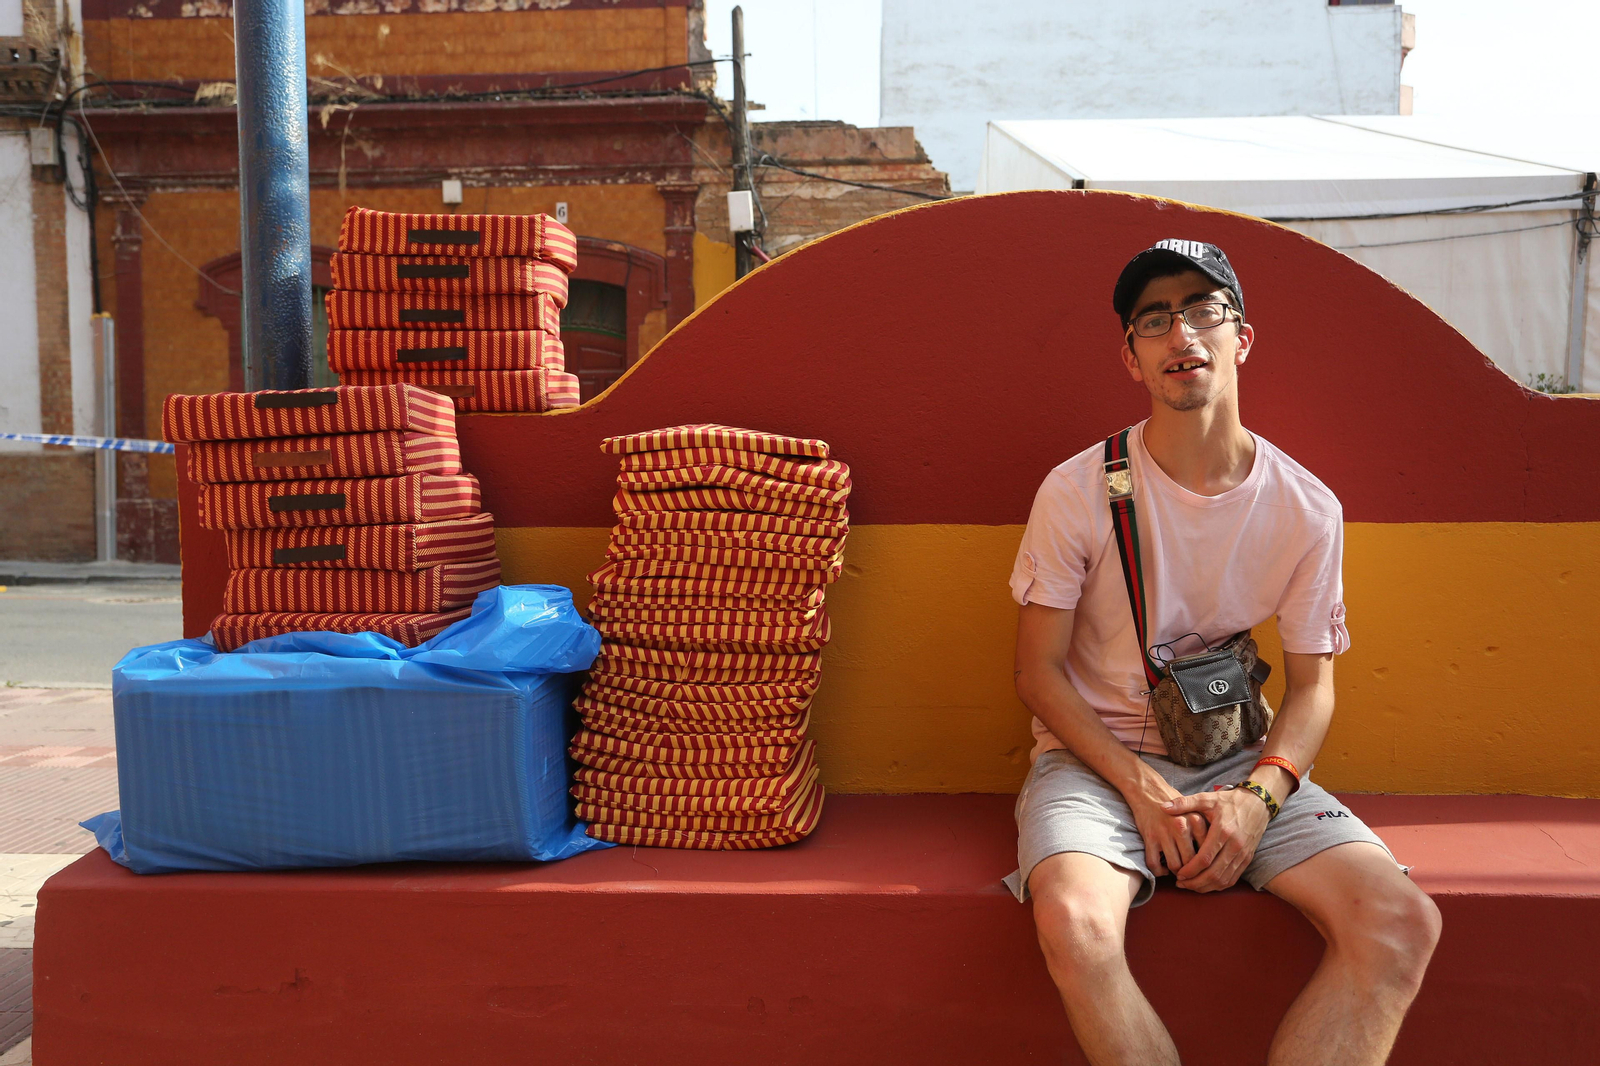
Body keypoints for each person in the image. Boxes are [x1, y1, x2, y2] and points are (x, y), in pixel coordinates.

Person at [1006, 239, 1441, 1066]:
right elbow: (1037, 671)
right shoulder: (1078, 490)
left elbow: (1312, 689)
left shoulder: (1306, 507)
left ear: (1242, 337)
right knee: (1075, 920)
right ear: (1131, 357)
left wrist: (1258, 798)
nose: (1182, 334)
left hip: (1240, 759)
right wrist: (1140, 791)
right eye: (1155, 319)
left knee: (1401, 921)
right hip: (1097, 763)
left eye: (1205, 310)